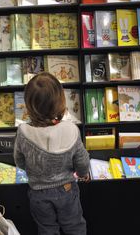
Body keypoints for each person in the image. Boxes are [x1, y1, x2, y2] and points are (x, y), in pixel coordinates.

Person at [14, 72, 90, 235]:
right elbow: (82, 161)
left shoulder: (23, 132)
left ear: (28, 105)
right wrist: (82, 173)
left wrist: (33, 170)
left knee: (47, 229)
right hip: (67, 189)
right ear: (60, 102)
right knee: (74, 226)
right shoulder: (71, 130)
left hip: (38, 193)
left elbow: (19, 160)